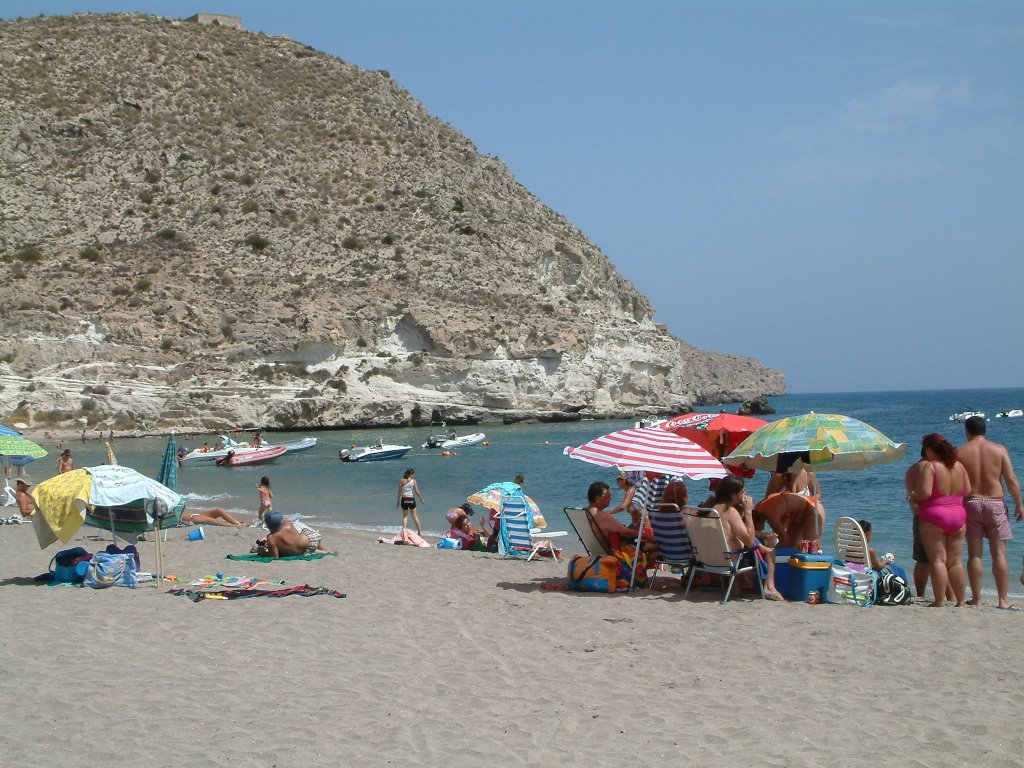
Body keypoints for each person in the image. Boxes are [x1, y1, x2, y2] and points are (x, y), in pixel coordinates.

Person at [957, 415, 1022, 609]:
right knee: (999, 554)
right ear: (984, 430)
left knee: (975, 555)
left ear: (967, 431)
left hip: (971, 503)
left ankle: (976, 598)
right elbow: (1010, 479)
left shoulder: (960, 452)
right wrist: (1019, 504)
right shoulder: (999, 450)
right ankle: (1003, 600)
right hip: (995, 503)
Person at [910, 433, 969, 607]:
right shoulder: (959, 466)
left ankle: (939, 600)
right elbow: (967, 489)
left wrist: (913, 496)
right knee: (955, 561)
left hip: (934, 514)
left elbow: (925, 493)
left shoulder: (931, 467)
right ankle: (960, 601)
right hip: (958, 514)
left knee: (937, 560)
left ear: (929, 449)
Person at [710, 475, 784, 600]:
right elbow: (749, 541)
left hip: (713, 559)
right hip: (733, 560)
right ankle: (769, 586)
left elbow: (735, 532)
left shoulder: (713, 510)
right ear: (734, 495)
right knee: (771, 546)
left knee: (751, 541)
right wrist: (748, 511)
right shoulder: (730, 512)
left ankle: (735, 584)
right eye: (743, 492)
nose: (745, 494)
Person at [257, 510, 326, 557]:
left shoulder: (271, 538)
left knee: (302, 549)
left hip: (303, 551)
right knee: (304, 532)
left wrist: (263, 553)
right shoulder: (287, 524)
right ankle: (324, 551)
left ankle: (324, 552)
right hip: (312, 540)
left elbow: (274, 556)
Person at [396, 468, 424, 536]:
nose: (413, 475)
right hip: (411, 500)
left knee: (405, 516)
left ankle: (404, 532)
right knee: (414, 516)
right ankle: (419, 532)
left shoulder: (401, 481)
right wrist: (421, 499)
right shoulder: (413, 481)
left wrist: (398, 501)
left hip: (404, 499)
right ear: (410, 474)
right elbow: (417, 491)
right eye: (413, 474)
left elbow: (399, 492)